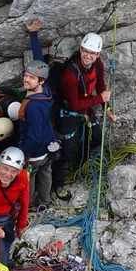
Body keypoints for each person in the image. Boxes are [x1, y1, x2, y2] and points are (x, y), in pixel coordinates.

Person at [52, 31, 111, 198]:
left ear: (98, 54)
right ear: (80, 49)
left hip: (86, 108)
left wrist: (107, 108)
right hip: (69, 112)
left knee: (97, 136)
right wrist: (100, 98)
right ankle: (58, 184)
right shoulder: (70, 74)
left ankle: (81, 163)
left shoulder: (98, 65)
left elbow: (100, 86)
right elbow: (75, 104)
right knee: (64, 151)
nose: (88, 56)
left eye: (92, 53)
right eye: (85, 51)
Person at [17, 22, 61, 204]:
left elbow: (33, 138)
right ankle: (44, 202)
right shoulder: (45, 91)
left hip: (35, 152)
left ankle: (31, 207)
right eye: (26, 75)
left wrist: (20, 153)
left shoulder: (34, 106)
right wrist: (33, 35)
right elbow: (39, 61)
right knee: (46, 174)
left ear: (40, 81)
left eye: (31, 78)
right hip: (49, 143)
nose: (26, 79)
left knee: (30, 179)